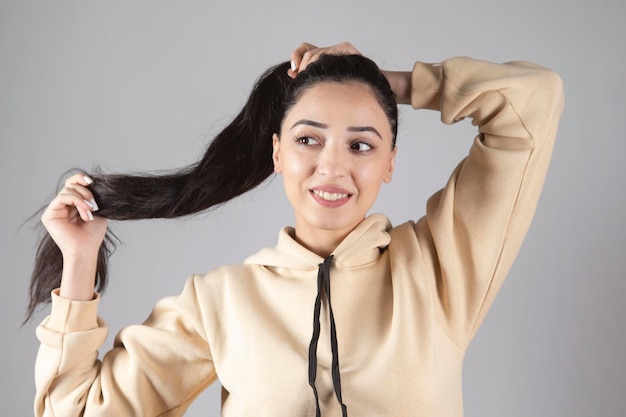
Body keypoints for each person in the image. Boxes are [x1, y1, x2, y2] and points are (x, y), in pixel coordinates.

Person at [30, 42, 564, 416]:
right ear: (277, 153)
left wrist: (385, 80)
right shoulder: (222, 302)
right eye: (309, 140)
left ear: (390, 163)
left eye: (361, 145)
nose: (332, 167)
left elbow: (533, 98)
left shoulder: (438, 268)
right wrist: (78, 264)